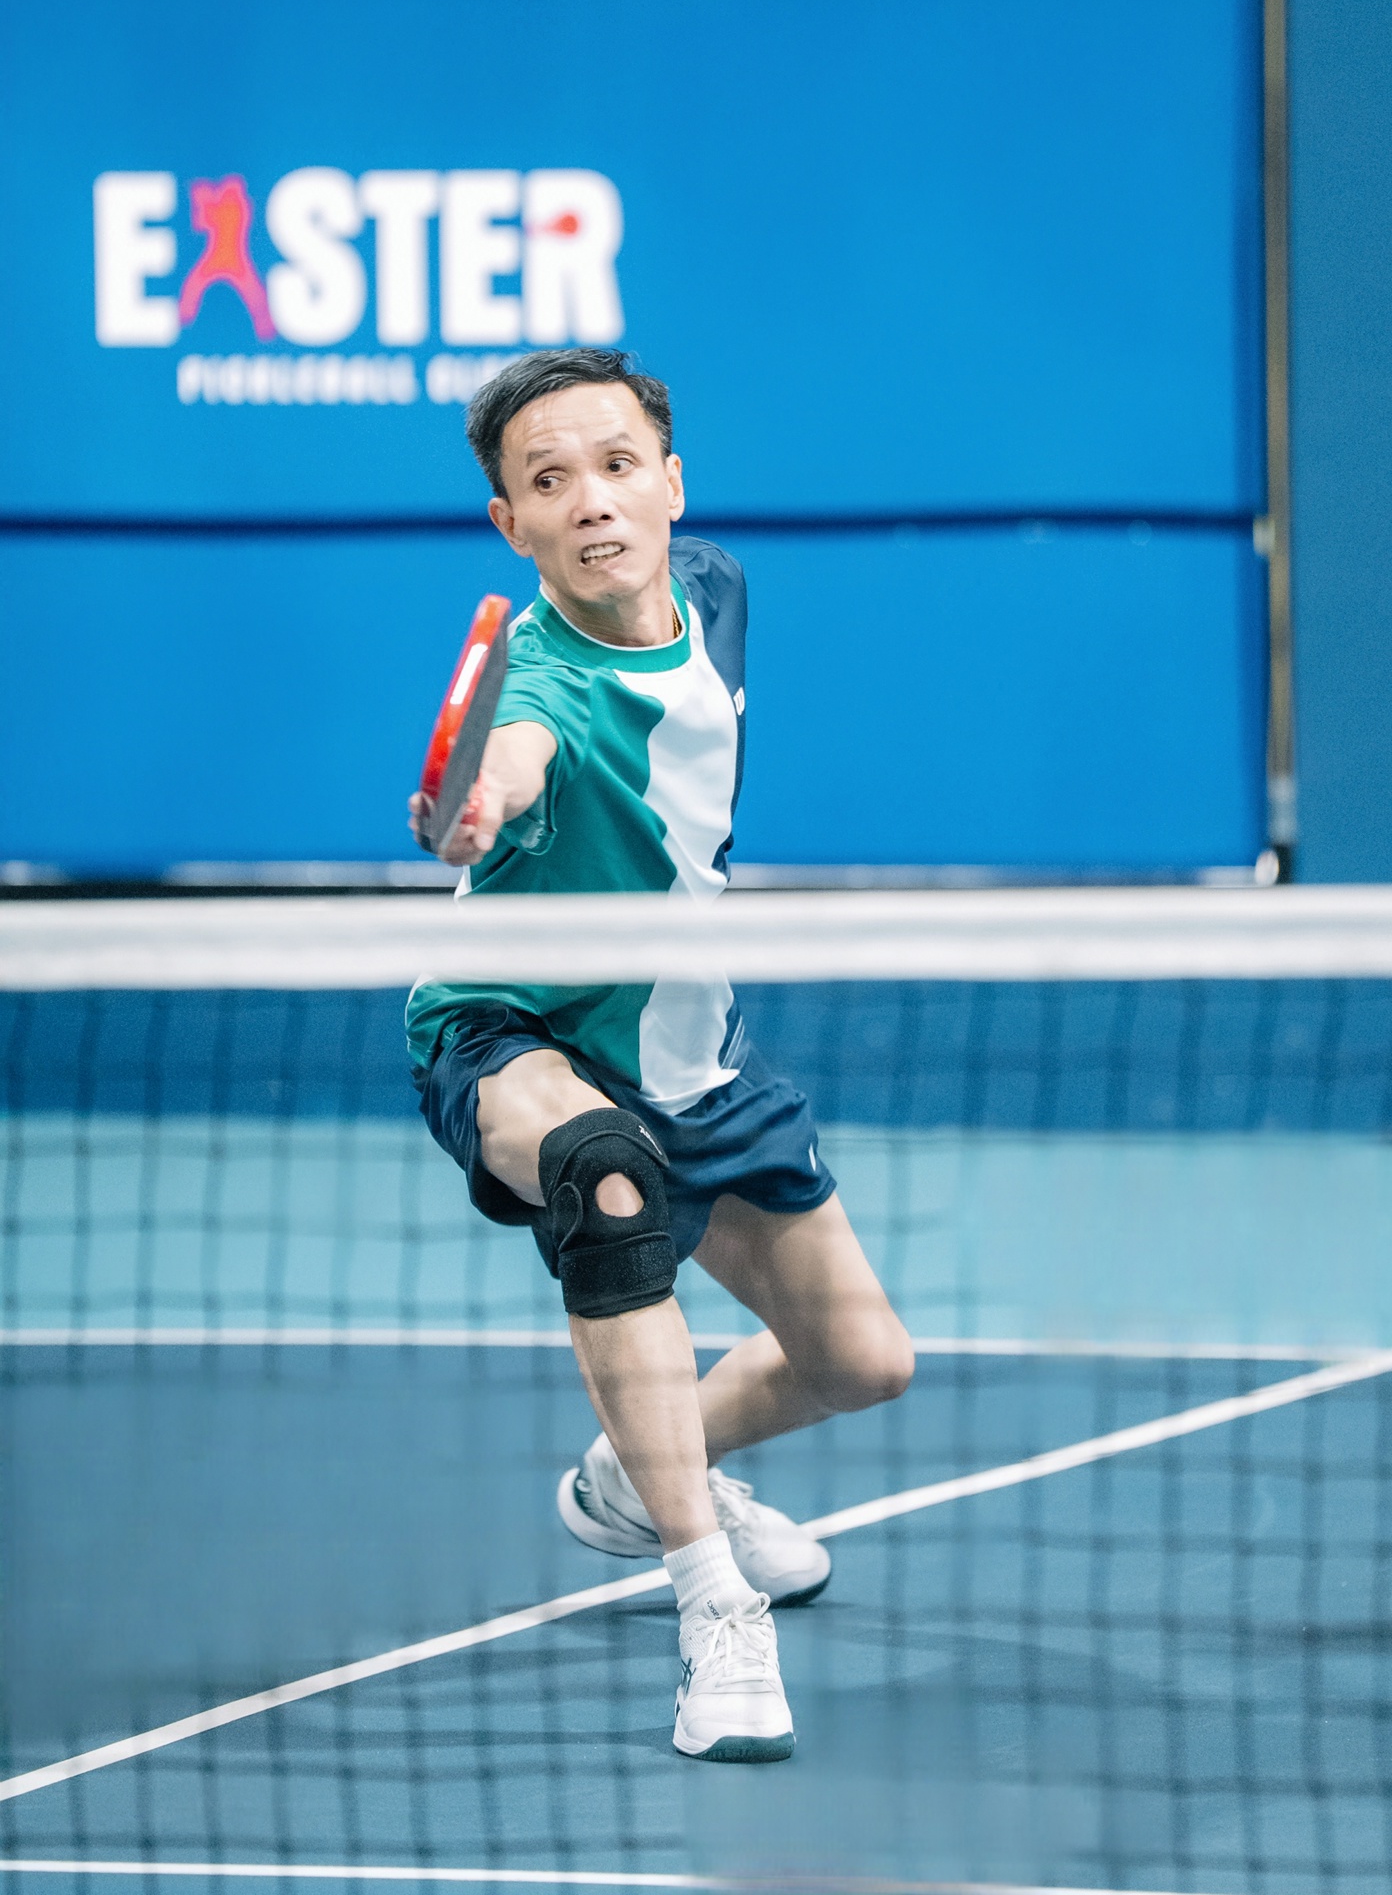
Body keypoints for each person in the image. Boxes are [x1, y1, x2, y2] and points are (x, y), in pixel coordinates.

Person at [406, 347, 915, 1764]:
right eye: (549, 482)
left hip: (697, 1051)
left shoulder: (716, 590)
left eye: (618, 467)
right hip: (516, 1032)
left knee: (864, 1362)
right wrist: (481, 803)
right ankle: (713, 1607)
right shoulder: (542, 690)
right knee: (604, 1173)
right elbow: (511, 758)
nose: (592, 502)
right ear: (511, 522)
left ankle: (637, 1476)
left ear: (672, 484)